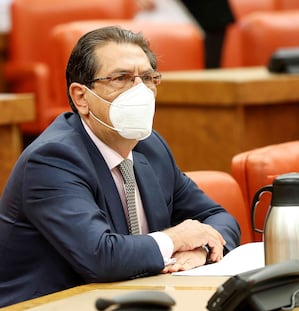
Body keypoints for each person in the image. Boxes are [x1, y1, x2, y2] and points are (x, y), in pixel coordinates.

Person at [0, 26, 240, 307]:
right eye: (122, 78)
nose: (140, 91)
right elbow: (101, 257)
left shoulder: (151, 146)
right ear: (81, 97)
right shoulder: (53, 159)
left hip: (135, 299)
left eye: (148, 78)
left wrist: (201, 249)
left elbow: (219, 218)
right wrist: (175, 238)